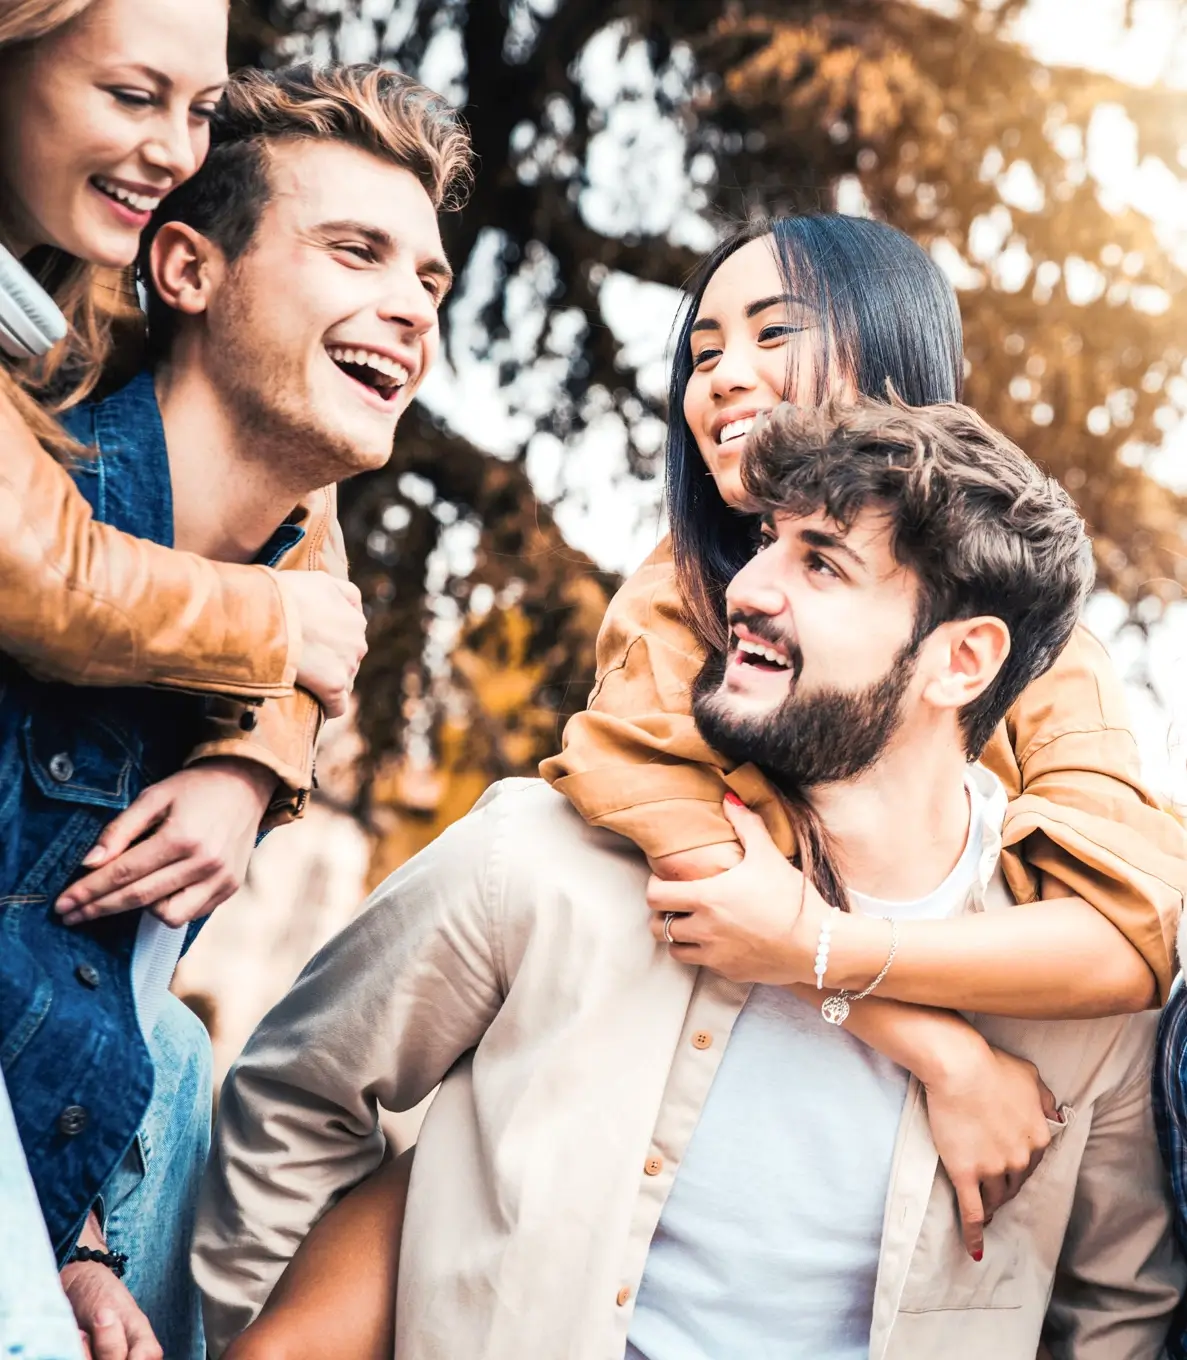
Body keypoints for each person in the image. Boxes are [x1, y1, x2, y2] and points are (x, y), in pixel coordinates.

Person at [196, 397, 1182, 1360]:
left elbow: (1114, 1313)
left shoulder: (1079, 997)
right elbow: (292, 1101)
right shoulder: (542, 860)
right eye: (766, 540)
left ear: (960, 661)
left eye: (821, 563)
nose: (747, 587)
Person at [2, 55, 470, 1360]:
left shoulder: (271, 574)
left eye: (426, 277)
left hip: (64, 1153)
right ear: (188, 272)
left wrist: (79, 1246)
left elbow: (65, 985)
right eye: (356, 252)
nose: (410, 308)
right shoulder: (45, 518)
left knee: (180, 1079)